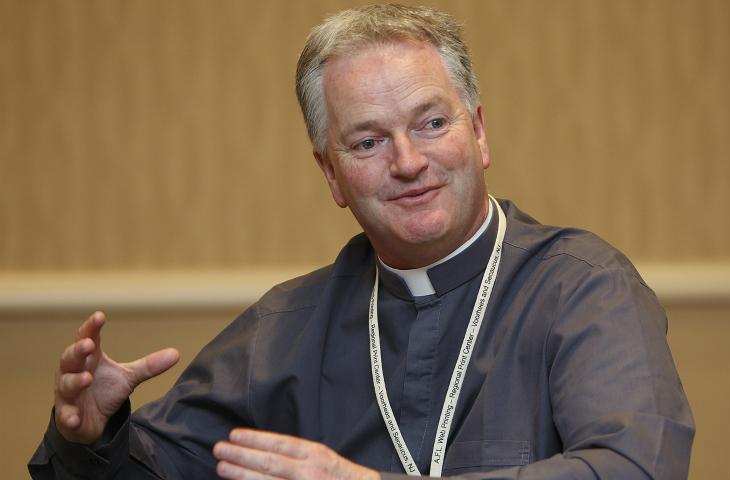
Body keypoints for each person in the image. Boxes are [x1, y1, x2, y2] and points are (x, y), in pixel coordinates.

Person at [29, 4, 695, 479]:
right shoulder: (284, 326)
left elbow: (634, 465)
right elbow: (166, 465)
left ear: (481, 133)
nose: (408, 162)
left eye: (431, 123)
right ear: (332, 174)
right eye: (368, 141)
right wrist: (89, 438)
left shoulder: (583, 285)